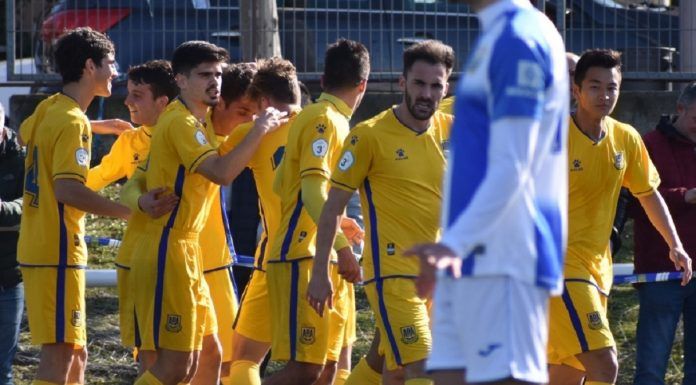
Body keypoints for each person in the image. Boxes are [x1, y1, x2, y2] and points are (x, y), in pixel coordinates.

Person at [406, 0, 569, 384]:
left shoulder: (519, 36)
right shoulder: (498, 34)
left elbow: (515, 164)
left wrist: (452, 245)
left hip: (505, 260)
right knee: (446, 375)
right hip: (469, 259)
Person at [130, 40, 286, 385]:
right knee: (173, 367)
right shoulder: (181, 123)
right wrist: (260, 128)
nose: (214, 81)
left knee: (213, 355)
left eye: (217, 74)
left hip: (189, 254)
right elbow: (220, 172)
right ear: (180, 80)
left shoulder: (196, 123)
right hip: (167, 249)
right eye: (204, 75)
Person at [308, 39, 455, 385]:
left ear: (445, 88)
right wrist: (319, 273)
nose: (426, 93)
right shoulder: (369, 136)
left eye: (436, 86)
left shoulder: (447, 128)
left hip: (434, 275)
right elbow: (330, 208)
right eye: (419, 83)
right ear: (402, 83)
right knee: (425, 367)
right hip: (391, 275)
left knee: (391, 366)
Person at [547, 49, 692, 385]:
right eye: (595, 86)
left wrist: (676, 245)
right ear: (576, 89)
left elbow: (648, 193)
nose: (605, 95)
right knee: (605, 364)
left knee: (568, 373)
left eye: (611, 87)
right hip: (558, 268)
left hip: (599, 269)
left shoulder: (625, 137)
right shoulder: (550, 136)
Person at [17, 27, 131, 385]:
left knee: (77, 352)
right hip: (58, 249)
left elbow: (26, 132)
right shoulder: (70, 120)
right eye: (110, 63)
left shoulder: (50, 107)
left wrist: (100, 125)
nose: (117, 71)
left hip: (41, 246)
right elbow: (68, 190)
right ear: (89, 66)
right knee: (62, 351)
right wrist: (131, 212)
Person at [263, 39, 369, 385]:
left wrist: (340, 220)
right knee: (304, 371)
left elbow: (283, 185)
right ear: (363, 86)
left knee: (327, 371)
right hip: (301, 257)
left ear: (322, 81)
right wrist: (340, 244)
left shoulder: (325, 118)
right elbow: (311, 192)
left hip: (311, 254)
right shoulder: (326, 121)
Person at [85, 60, 179, 360]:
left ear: (163, 101)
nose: (126, 101)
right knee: (152, 356)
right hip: (145, 261)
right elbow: (90, 181)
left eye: (137, 95)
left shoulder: (194, 134)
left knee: (207, 357)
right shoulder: (130, 141)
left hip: (196, 260)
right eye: (128, 92)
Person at [220, 57, 301, 385]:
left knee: (241, 359)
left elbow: (212, 166)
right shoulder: (324, 123)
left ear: (265, 102)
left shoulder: (251, 133)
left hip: (276, 257)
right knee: (329, 365)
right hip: (327, 253)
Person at [631, 82, 696, 385]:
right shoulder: (649, 144)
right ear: (680, 109)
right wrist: (685, 196)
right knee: (651, 366)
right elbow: (636, 199)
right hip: (660, 271)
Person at [0, 103, 25, 385]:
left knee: (3, 368)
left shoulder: (21, 155)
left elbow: (31, 204)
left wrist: (3, 210)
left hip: (9, 275)